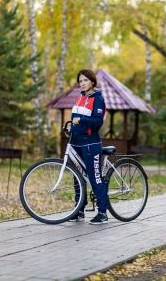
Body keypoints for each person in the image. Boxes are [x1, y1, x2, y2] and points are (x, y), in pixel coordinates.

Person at [69, 68, 109, 225]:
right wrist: (70, 128)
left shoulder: (98, 99)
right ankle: (79, 210)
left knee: (95, 177)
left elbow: (98, 123)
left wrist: (82, 121)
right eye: (80, 81)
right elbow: (74, 118)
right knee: (77, 178)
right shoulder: (80, 97)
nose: (82, 83)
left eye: (85, 80)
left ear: (92, 81)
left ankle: (102, 213)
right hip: (76, 142)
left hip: (91, 143)